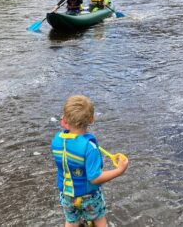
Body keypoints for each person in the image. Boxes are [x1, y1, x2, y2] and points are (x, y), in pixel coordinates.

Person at [51, 95, 129, 227]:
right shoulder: (90, 148)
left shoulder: (57, 140)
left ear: (64, 120)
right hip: (89, 197)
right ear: (92, 119)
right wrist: (119, 170)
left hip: (67, 195)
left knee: (71, 221)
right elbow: (95, 178)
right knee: (99, 219)